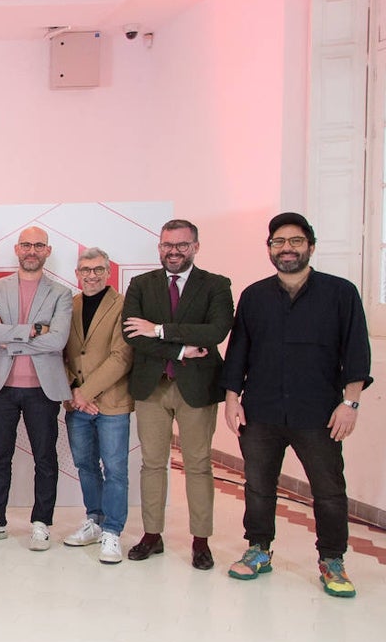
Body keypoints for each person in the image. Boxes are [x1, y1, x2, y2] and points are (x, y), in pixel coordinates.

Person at [222, 212, 372, 597]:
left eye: (295, 241)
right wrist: (232, 398)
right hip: (262, 411)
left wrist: (350, 404)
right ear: (270, 249)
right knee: (258, 486)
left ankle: (332, 559)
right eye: (278, 242)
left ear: (310, 246)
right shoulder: (254, 296)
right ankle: (259, 549)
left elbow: (356, 351)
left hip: (318, 412)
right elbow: (239, 350)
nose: (286, 249)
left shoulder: (340, 293)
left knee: (328, 490)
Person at [122, 218, 233, 570]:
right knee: (152, 464)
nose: (174, 251)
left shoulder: (216, 285)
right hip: (152, 388)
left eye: (182, 245)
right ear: (159, 247)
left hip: (197, 389)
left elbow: (215, 330)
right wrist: (181, 350)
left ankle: (201, 541)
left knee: (198, 465)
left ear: (195, 247)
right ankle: (152, 535)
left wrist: (159, 330)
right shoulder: (140, 284)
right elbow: (131, 336)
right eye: (167, 245)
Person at [0, 225, 73, 550]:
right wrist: (33, 332)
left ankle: (41, 523)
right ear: (17, 249)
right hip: (0, 387)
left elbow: (58, 339)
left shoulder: (61, 293)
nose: (32, 250)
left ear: (47, 251)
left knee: (45, 459)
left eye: (38, 246)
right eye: (26, 245)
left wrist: (11, 335)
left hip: (43, 389)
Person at [61, 248, 134, 564]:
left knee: (115, 469)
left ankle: (113, 532)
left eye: (98, 269)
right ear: (77, 273)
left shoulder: (123, 306)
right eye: (85, 269)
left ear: (109, 272)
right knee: (85, 465)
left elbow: (122, 356)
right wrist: (71, 391)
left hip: (111, 402)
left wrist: (85, 393)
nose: (91, 275)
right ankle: (95, 520)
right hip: (76, 404)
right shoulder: (69, 305)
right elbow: (57, 352)